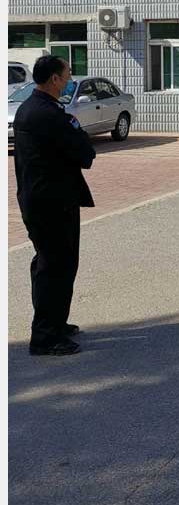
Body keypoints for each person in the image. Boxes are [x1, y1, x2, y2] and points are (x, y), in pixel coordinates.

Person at [14, 54, 96, 356]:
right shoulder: (48, 114)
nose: (70, 80)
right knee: (54, 267)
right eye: (68, 74)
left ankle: (54, 323)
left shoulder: (30, 108)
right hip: (51, 203)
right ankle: (45, 336)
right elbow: (84, 153)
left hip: (43, 199)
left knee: (53, 264)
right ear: (54, 79)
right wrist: (79, 135)